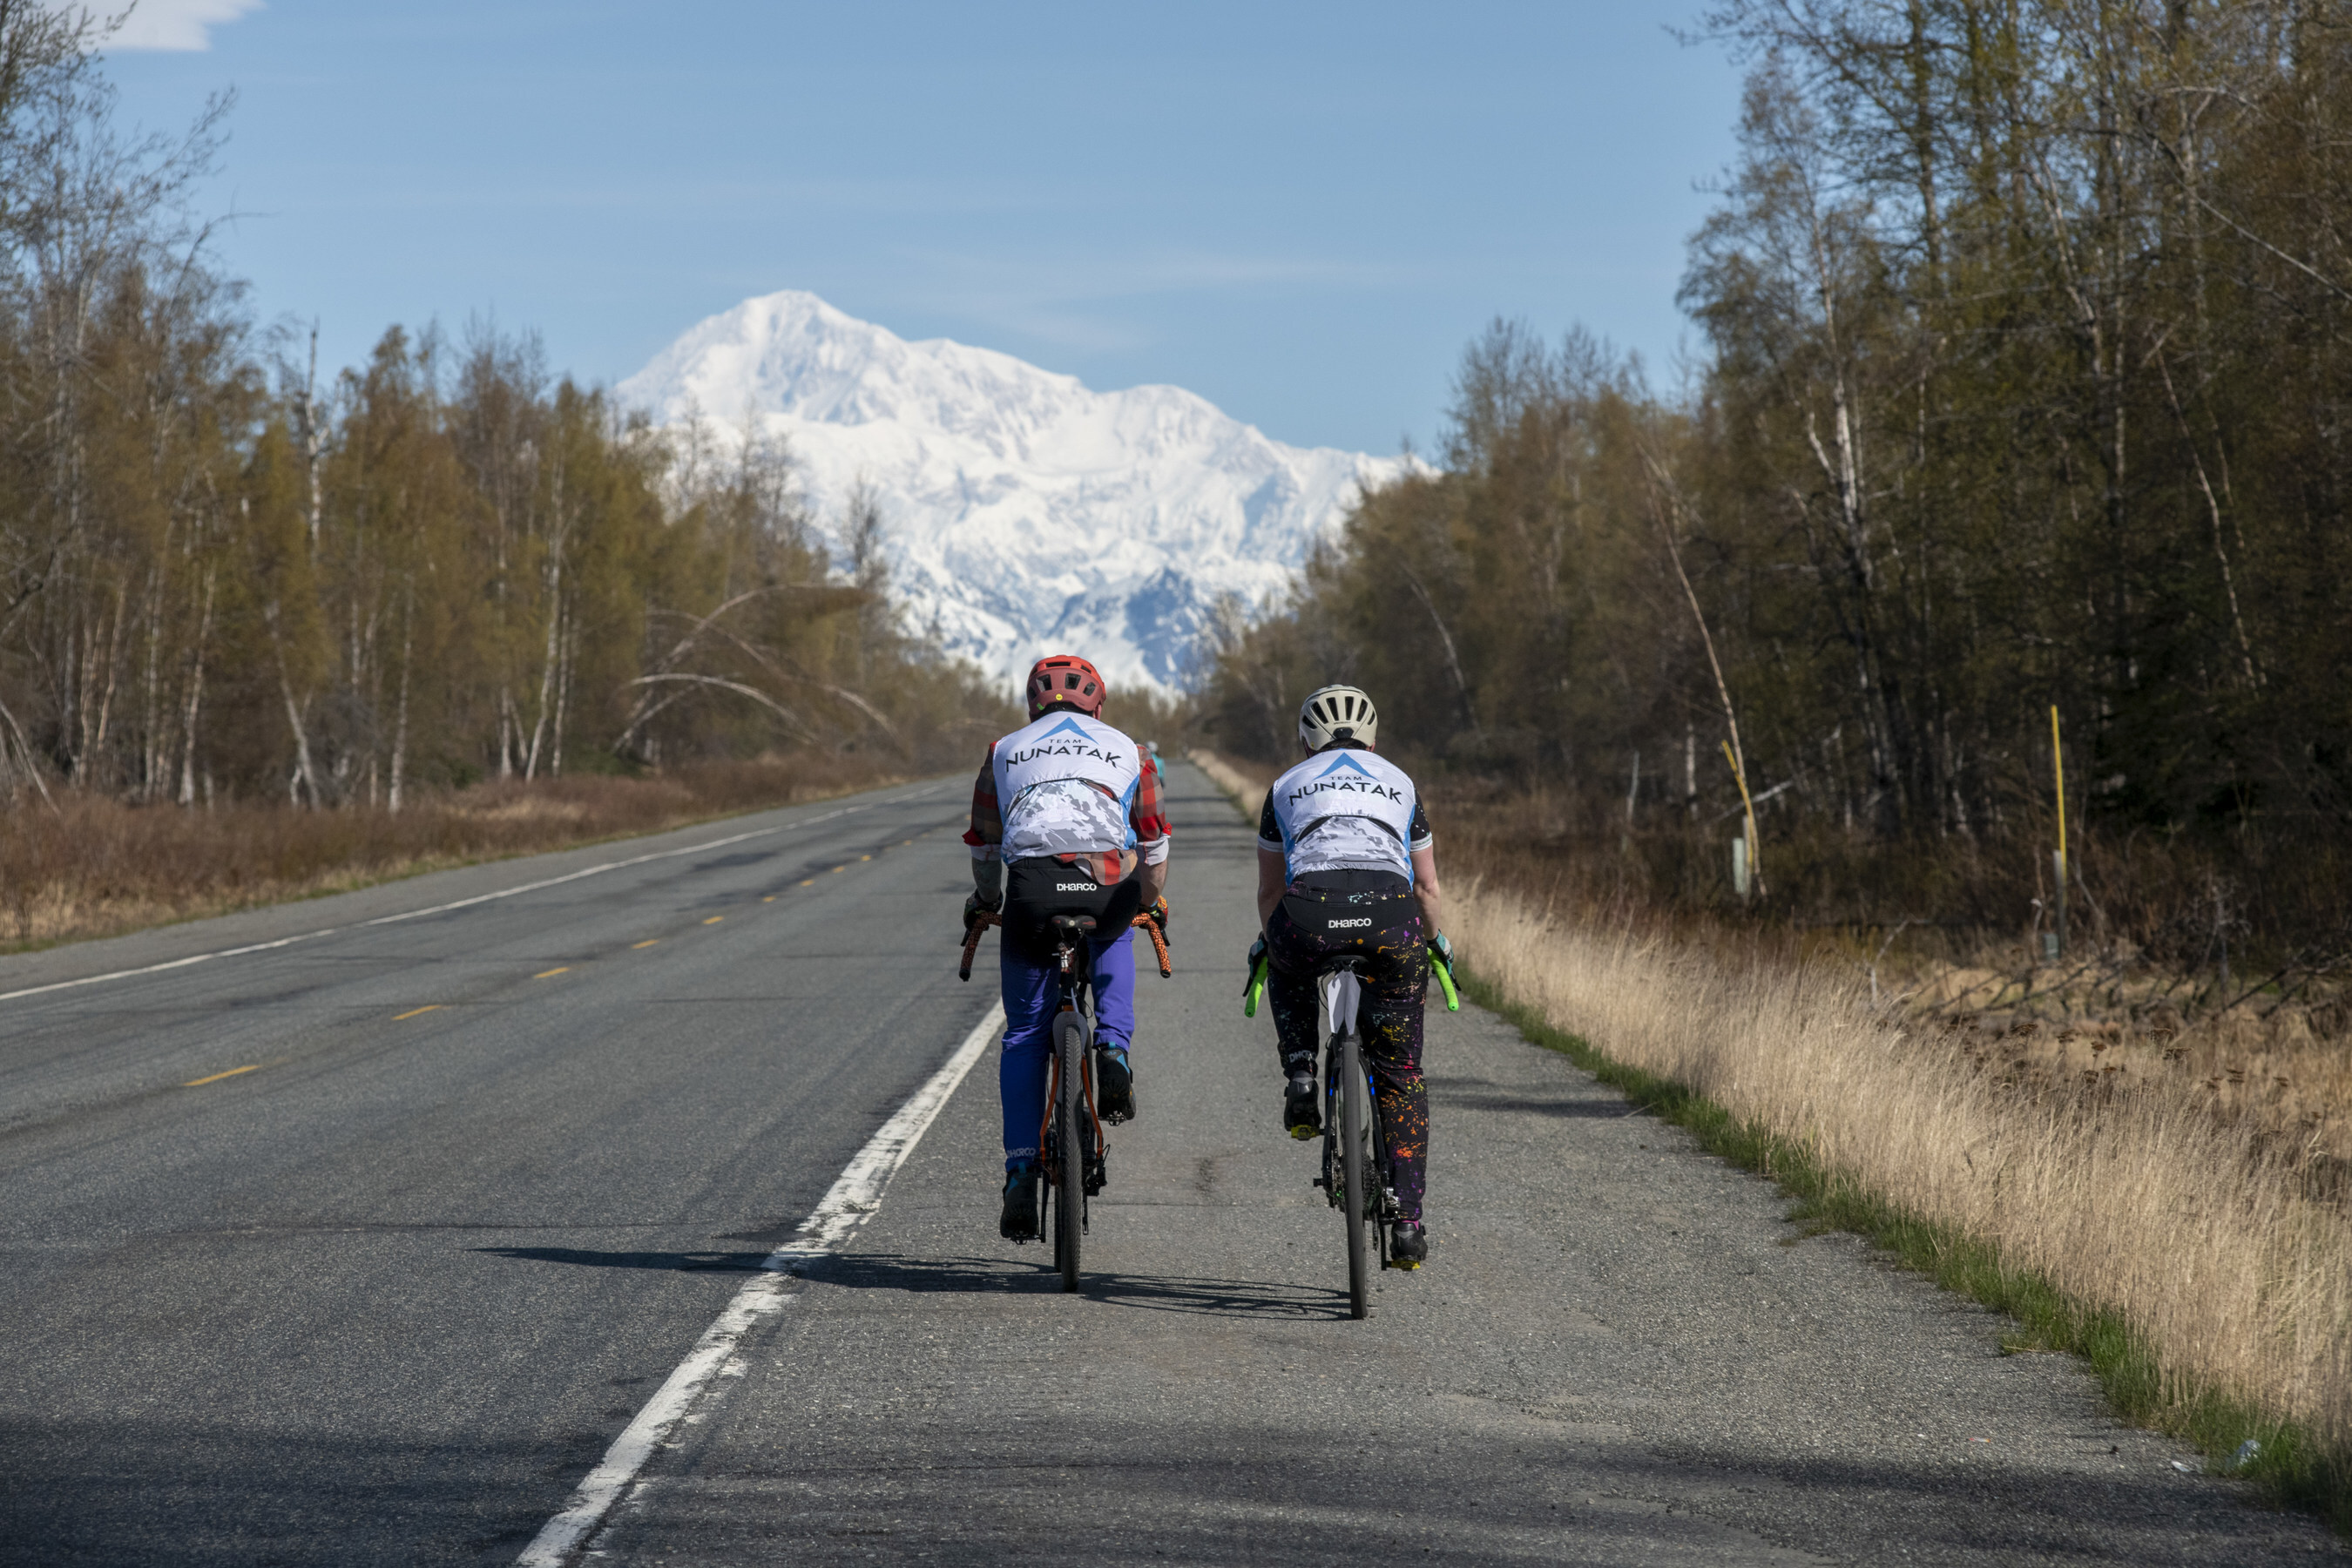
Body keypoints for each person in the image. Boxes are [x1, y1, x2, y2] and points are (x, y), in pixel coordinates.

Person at [963, 653, 1172, 1242]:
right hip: (1104, 883)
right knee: (1115, 922)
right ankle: (1113, 1050)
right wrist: (1148, 902)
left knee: (1024, 1036)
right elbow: (1153, 844)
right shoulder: (1132, 750)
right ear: (1097, 705)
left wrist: (986, 900)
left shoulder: (1003, 751)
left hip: (1032, 892)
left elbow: (984, 845)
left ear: (1033, 705)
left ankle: (1020, 1171)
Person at [1251, 684, 1450, 1268]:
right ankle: (1407, 1223)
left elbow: (1270, 890)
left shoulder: (1284, 787)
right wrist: (1435, 943)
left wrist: (1272, 942)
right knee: (1400, 1073)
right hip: (1390, 920)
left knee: (1284, 960)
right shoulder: (1401, 783)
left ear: (1305, 742)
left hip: (1310, 914)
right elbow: (1426, 887)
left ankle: (1301, 1073)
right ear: (1373, 740)